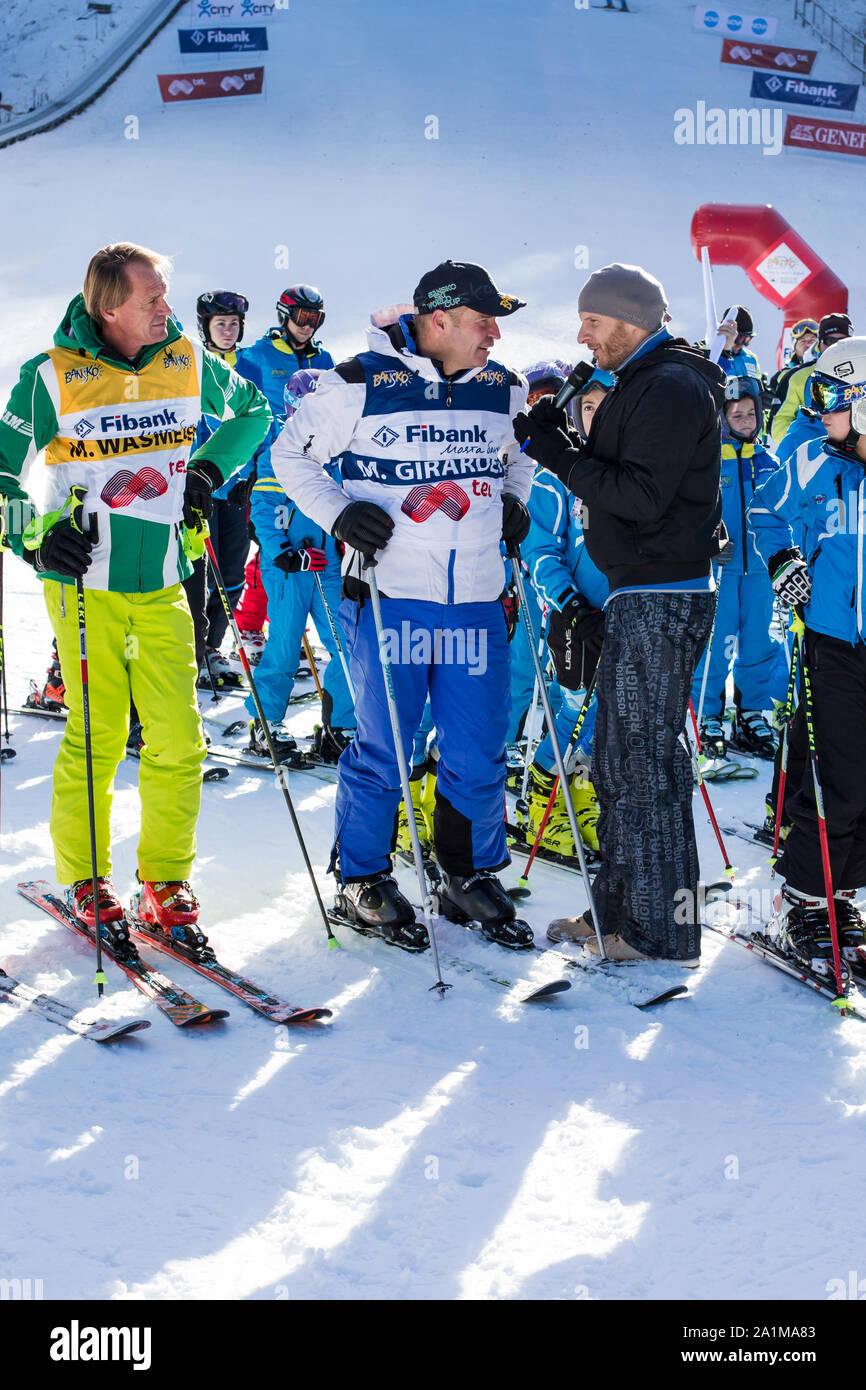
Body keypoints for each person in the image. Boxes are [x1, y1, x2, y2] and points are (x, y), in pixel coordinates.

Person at [0, 243, 270, 933]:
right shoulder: (50, 374)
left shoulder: (186, 360)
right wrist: (32, 536)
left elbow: (253, 413)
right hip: (82, 583)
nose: (168, 309)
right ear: (109, 307)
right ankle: (87, 879)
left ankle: (164, 878)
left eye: (166, 295)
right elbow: (2, 474)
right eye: (153, 299)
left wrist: (207, 474)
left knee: (180, 739)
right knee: (98, 734)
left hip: (163, 581)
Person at [270, 259, 534, 948]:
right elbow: (289, 454)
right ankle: (362, 877)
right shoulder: (359, 380)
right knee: (387, 747)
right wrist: (339, 514)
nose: (496, 335)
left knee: (478, 751)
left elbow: (519, 460)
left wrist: (514, 503)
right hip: (391, 596)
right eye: (484, 321)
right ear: (439, 320)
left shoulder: (504, 389)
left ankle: (465, 873)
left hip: (476, 598)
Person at [515, 262, 727, 965]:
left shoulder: (668, 384)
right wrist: (567, 446)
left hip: (662, 593)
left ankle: (661, 931)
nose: (583, 336)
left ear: (631, 323)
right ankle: (620, 913)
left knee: (644, 766)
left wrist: (558, 453)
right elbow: (633, 484)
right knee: (618, 762)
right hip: (641, 589)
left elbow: (639, 497)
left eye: (594, 322)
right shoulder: (648, 380)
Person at [748, 336, 866, 974]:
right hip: (831, 645)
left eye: (833, 399)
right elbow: (763, 508)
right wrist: (784, 559)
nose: (820, 412)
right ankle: (804, 904)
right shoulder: (815, 462)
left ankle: (841, 899)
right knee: (836, 779)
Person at [517, 369, 614, 883]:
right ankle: (544, 807)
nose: (596, 416)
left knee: (602, 722)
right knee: (570, 710)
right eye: (588, 407)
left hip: (624, 616)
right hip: (578, 620)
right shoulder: (558, 475)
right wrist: (571, 604)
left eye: (606, 406)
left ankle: (580, 797)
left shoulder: (624, 468)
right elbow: (538, 548)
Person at [244, 369, 356, 761]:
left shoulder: (336, 448)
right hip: (290, 565)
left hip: (325, 565)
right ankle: (266, 720)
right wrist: (279, 550)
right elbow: (263, 507)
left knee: (346, 645)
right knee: (286, 645)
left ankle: (340, 723)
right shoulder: (281, 448)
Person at [692, 376, 786, 760]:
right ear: (723, 417)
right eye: (737, 414)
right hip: (723, 569)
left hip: (761, 571)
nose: (745, 420)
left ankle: (750, 713)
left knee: (758, 643)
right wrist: (710, 542)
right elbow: (694, 509)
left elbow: (784, 510)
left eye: (750, 413)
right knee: (717, 642)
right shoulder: (708, 459)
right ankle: (708, 713)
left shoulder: (769, 461)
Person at [193, 290, 257, 686]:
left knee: (232, 574)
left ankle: (213, 647)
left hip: (238, 493)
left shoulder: (249, 367)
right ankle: (193, 650)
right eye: (221, 325)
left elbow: (262, 424)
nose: (228, 331)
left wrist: (251, 478)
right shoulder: (196, 368)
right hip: (200, 492)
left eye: (234, 324)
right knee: (200, 574)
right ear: (206, 329)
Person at [770, 312, 854, 447]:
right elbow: (780, 422)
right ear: (820, 343)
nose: (836, 347)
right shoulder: (798, 377)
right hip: (814, 457)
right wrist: (802, 449)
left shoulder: (861, 371)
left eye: (843, 342)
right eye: (831, 341)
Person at [767, 316, 818, 435]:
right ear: (795, 347)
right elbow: (776, 418)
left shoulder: (827, 368)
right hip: (798, 436)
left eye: (812, 340)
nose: (808, 345)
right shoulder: (782, 376)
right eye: (802, 341)